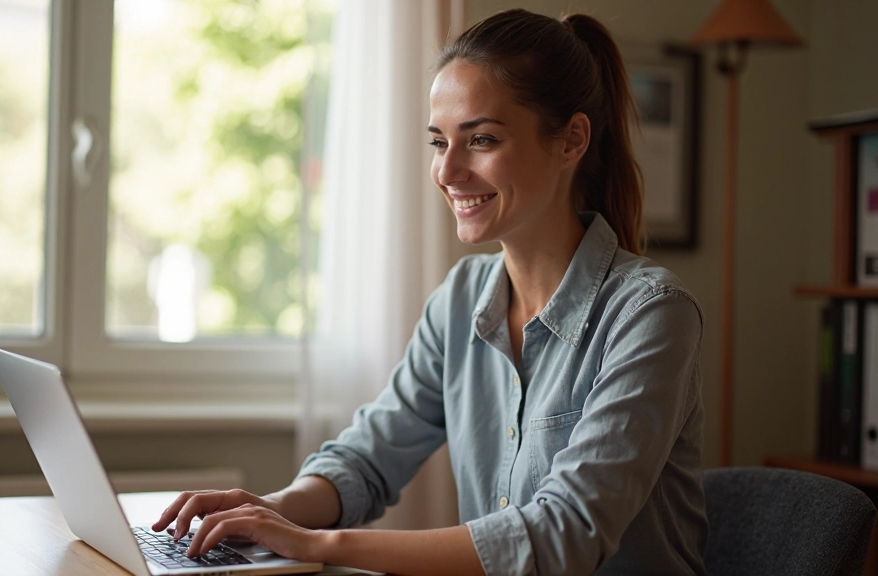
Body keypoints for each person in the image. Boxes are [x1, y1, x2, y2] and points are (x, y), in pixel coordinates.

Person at [153, 8, 707, 576]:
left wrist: (319, 546)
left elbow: (561, 536)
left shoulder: (651, 314)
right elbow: (368, 458)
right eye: (439, 142)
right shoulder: (461, 299)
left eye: (481, 139)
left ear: (571, 140)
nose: (448, 170)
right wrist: (269, 509)